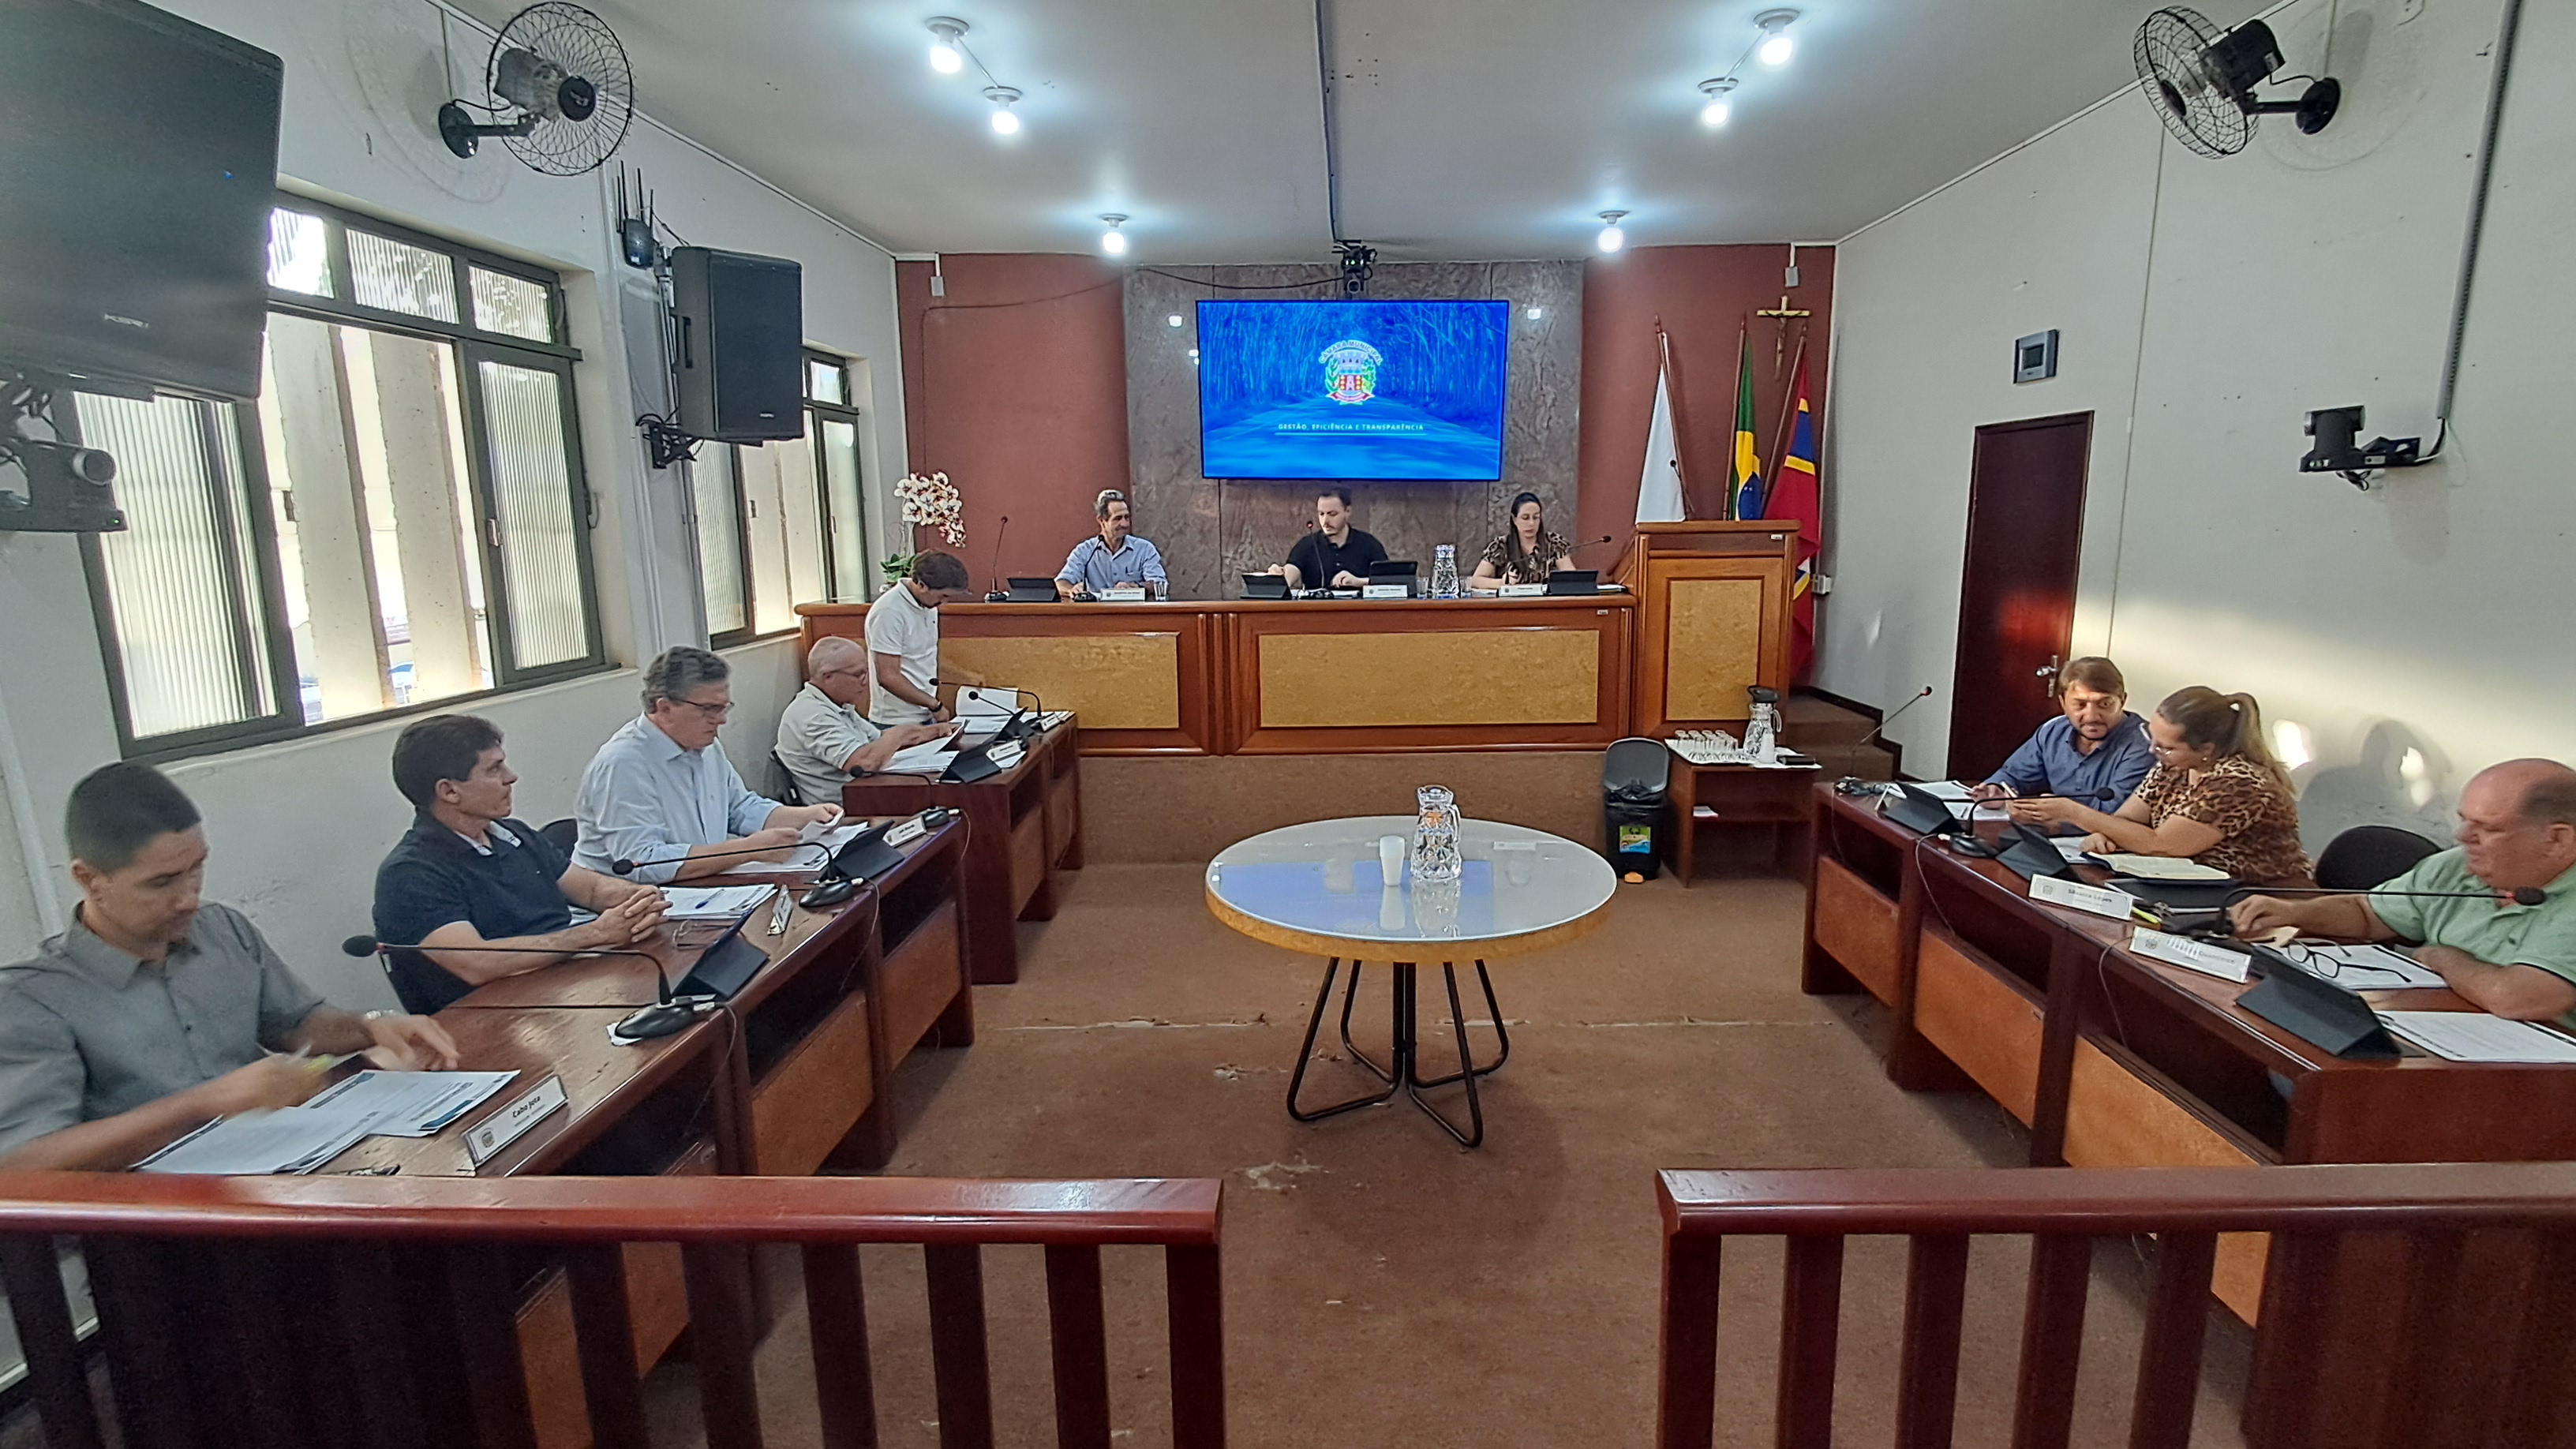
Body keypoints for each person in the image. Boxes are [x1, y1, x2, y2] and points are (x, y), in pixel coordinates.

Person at [0, 763, 459, 1170]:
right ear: (88, 879)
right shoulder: (35, 998)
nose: (189, 898)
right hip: (157, 1228)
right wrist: (203, 1103)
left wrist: (372, 1025)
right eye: (160, 883)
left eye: (197, 868)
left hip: (280, 1172)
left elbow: (295, 1024)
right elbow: (23, 1160)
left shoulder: (222, 930)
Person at [2232, 760, 2576, 1023]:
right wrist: (2294, 912)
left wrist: (2442, 958)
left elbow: (2519, 999)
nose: (2463, 836)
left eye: (2487, 828)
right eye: (2465, 820)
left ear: (2557, 839)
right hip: (2446, 1027)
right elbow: (2368, 915)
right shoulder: (2456, 866)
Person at [372, 714, 672, 1014]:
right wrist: (595, 934)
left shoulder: (514, 834)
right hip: (492, 1019)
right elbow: (476, 963)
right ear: (449, 791)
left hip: (567, 992)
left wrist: (638, 901)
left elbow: (591, 890)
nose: (510, 777)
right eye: (494, 769)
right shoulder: (411, 873)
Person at [572, 647, 844, 885]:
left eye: (724, 708)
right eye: (709, 709)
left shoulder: (705, 746)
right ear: (664, 708)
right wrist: (745, 849)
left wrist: (805, 816)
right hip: (627, 905)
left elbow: (738, 809)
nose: (721, 720)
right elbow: (642, 863)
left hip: (699, 887)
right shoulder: (623, 764)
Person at [2007, 685, 2313, 885]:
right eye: (2150, 736)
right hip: (2188, 887)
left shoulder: (2238, 783)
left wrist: (2075, 813)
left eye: (2165, 746)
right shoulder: (2173, 765)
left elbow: (2162, 845)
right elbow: (2126, 819)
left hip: (2258, 898)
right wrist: (2105, 834)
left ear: (2206, 749)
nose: (2153, 751)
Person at [777, 636, 960, 806]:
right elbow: (863, 764)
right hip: (846, 809)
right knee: (947, 804)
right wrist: (900, 734)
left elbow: (879, 739)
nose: (865, 682)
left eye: (866, 672)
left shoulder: (836, 704)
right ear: (828, 676)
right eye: (858, 675)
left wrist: (936, 732)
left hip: (870, 793)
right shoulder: (811, 715)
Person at [1968, 657, 2155, 809]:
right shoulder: (2053, 730)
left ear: (2122, 701)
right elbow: (2014, 775)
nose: (2091, 716)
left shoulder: (2145, 745)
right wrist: (1996, 789)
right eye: (2079, 705)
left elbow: (2115, 812)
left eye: (2105, 704)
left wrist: (2057, 820)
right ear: (2063, 703)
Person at [867, 551, 983, 726]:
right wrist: (934, 705)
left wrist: (965, 677)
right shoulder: (889, 612)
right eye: (943, 596)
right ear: (921, 585)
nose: (945, 602)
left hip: (924, 713)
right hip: (895, 720)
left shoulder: (928, 605)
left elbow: (922, 656)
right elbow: (888, 677)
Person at [1267, 487, 1388, 591]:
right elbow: (1290, 574)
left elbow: (1390, 582)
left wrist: (1359, 582)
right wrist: (1278, 577)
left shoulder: (1369, 544)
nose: (1325, 522)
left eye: (1332, 514)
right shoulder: (1307, 545)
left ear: (1348, 512)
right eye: (1321, 514)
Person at [1056, 489, 1167, 600]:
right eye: (1118, 519)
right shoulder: (1085, 551)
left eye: (1127, 517)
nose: (1124, 524)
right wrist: (1072, 590)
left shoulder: (1144, 549)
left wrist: (1136, 587)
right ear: (1102, 521)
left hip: (1134, 613)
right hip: (1097, 614)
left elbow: (1159, 583)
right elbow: (1060, 583)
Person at [1467, 492, 1575, 590]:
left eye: (1536, 517)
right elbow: (1476, 581)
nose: (1532, 523)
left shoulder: (1554, 543)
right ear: (1514, 519)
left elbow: (1573, 579)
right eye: (1525, 518)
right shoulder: (1501, 546)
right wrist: (1501, 583)